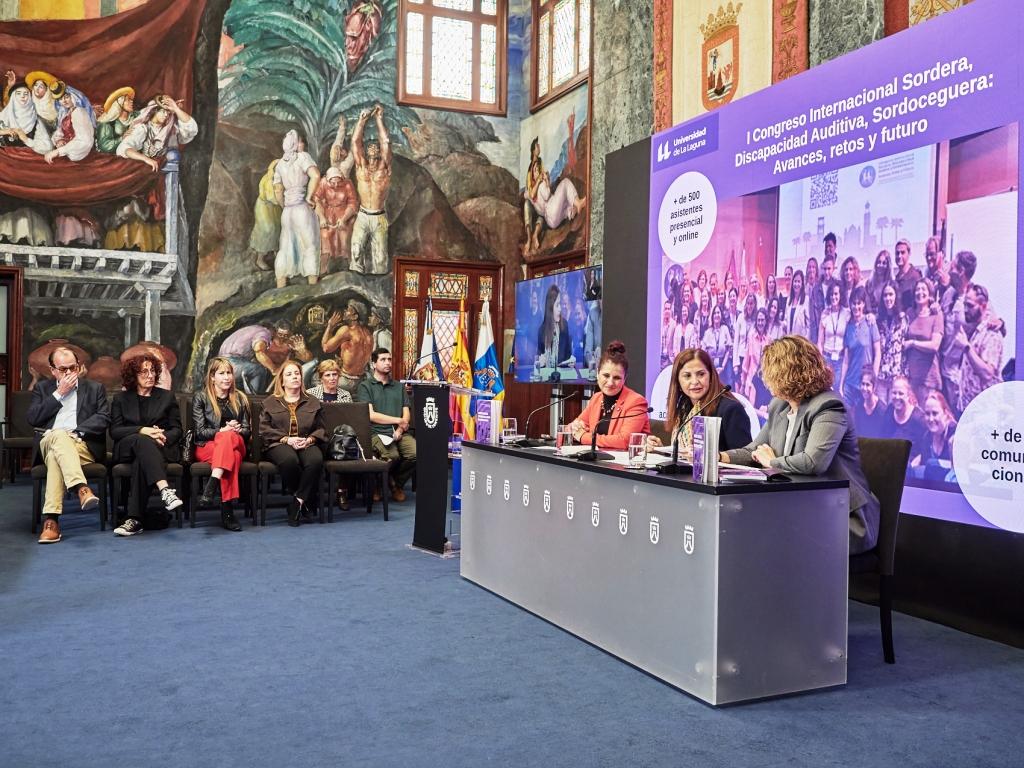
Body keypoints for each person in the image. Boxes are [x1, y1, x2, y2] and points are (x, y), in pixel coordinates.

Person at [721, 335, 880, 555]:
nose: (763, 377)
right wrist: (719, 457)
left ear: (786, 373)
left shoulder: (829, 406)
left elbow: (814, 462)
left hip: (840, 517)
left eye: (768, 370)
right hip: (796, 509)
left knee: (760, 536)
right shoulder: (780, 406)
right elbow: (753, 450)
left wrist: (772, 462)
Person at [27, 346, 111, 544]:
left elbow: (104, 417)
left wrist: (77, 431)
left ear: (79, 367)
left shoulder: (94, 388)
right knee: (57, 436)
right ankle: (81, 487)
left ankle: (51, 521)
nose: (68, 373)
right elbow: (33, 418)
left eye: (72, 368)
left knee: (58, 454)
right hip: (49, 441)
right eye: (63, 369)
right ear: (53, 370)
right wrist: (58, 394)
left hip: (81, 444)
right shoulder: (43, 389)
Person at [109, 354, 184, 536]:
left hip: (159, 447)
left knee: (142, 459)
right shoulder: (121, 399)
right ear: (133, 375)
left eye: (152, 371)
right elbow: (115, 431)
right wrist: (143, 430)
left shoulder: (166, 397)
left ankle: (134, 519)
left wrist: (161, 435)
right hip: (127, 448)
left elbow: (177, 429)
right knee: (142, 440)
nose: (150, 375)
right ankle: (165, 489)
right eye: (144, 371)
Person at [647, 348, 752, 458]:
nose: (695, 381)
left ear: (711, 376)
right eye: (687, 376)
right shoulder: (684, 407)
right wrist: (660, 450)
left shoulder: (731, 409)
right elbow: (685, 456)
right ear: (677, 381)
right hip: (685, 475)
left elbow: (745, 458)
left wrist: (714, 457)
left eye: (701, 374)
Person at [259, 360, 326, 526]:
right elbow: (263, 429)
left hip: (305, 441)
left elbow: (322, 428)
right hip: (278, 443)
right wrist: (287, 439)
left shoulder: (312, 401)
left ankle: (297, 503)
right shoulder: (270, 402)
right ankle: (308, 499)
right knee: (289, 460)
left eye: (297, 373)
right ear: (282, 380)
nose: (294, 377)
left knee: (315, 460)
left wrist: (310, 439)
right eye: (289, 374)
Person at [192, 357, 250, 532]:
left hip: (237, 441)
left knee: (229, 439)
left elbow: (247, 431)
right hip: (207, 447)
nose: (227, 377)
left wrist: (238, 430)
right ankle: (227, 512)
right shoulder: (201, 397)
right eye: (222, 373)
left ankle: (212, 484)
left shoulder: (240, 398)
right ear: (212, 377)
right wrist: (223, 430)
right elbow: (200, 432)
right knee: (232, 455)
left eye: (229, 373)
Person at [356, 348, 416, 502]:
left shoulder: (398, 386)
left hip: (399, 432)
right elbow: (371, 415)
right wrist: (398, 421)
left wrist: (401, 429)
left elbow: (406, 414)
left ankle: (394, 483)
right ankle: (383, 483)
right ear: (373, 364)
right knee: (392, 456)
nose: (388, 363)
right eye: (383, 360)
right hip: (376, 432)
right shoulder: (365, 386)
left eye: (389, 359)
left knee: (416, 454)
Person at [568, 341, 650, 450]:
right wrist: (574, 428)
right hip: (597, 462)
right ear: (597, 373)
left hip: (625, 464)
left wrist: (584, 437)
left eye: (617, 378)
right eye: (606, 375)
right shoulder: (596, 398)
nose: (610, 382)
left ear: (625, 379)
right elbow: (573, 428)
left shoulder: (636, 402)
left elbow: (624, 441)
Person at [273, 129, 321, 288]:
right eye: (300, 141)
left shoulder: (279, 164)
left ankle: (281, 284)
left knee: (285, 246)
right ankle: (313, 285)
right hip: (301, 207)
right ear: (296, 143)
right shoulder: (303, 157)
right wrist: (309, 196)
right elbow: (315, 175)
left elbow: (278, 190)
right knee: (309, 245)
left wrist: (284, 205)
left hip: (287, 211)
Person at [350, 104, 392, 275]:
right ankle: (354, 283)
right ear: (366, 151)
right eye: (370, 147)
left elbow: (386, 142)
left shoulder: (384, 168)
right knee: (356, 250)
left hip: (379, 217)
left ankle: (378, 289)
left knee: (380, 257)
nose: (373, 148)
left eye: (377, 148)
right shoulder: (361, 168)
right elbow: (355, 142)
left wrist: (379, 119)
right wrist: (361, 121)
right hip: (362, 215)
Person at [116, 95, 198, 172]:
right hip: (146, 167)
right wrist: (146, 159)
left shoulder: (170, 128)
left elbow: (191, 130)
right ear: (154, 111)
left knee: (173, 155)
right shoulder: (143, 128)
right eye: (163, 111)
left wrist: (176, 109)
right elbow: (125, 148)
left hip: (165, 165)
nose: (166, 115)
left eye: (168, 113)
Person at [957, 283, 1003, 412]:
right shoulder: (976, 330)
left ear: (983, 306)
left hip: (986, 410)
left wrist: (966, 347)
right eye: (965, 305)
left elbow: (987, 374)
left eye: (970, 306)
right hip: (971, 409)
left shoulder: (991, 334)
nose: (966, 309)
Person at [904, 278, 943, 407]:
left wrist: (913, 343)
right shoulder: (909, 313)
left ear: (930, 293)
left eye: (923, 289)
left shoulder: (936, 314)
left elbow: (935, 345)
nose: (920, 292)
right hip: (912, 377)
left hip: (929, 378)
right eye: (917, 289)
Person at [322, 298, 374, 393]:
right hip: (363, 381)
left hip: (346, 382)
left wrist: (330, 326)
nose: (344, 312)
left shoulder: (347, 330)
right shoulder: (368, 334)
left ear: (355, 316)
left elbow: (326, 348)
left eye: (348, 310)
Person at [839, 287, 880, 406]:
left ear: (863, 304)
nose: (856, 307)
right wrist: (841, 383)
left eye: (859, 303)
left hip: (865, 384)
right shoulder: (848, 326)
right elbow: (846, 360)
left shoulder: (870, 323)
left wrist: (874, 378)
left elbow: (878, 353)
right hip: (849, 383)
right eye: (853, 303)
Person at [313, 166, 358, 271]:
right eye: (333, 183)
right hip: (328, 214)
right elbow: (316, 199)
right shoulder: (323, 182)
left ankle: (351, 266)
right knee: (325, 236)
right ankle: (323, 269)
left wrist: (344, 219)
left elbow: (352, 203)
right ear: (328, 180)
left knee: (345, 236)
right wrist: (322, 217)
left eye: (338, 182)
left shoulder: (348, 184)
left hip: (344, 214)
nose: (336, 185)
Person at [44, 83, 95, 163]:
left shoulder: (79, 112)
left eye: (66, 97)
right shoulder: (68, 113)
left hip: (80, 156)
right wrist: (59, 140)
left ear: (74, 96)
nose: (63, 101)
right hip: (69, 152)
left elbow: (84, 141)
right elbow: (60, 131)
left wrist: (58, 151)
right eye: (60, 99)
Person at [911, 390, 956, 479]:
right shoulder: (926, 437)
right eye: (927, 414)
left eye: (935, 413)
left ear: (945, 413)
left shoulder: (955, 434)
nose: (931, 419)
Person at [876, 282, 908, 404]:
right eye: (885, 295)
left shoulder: (903, 319)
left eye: (891, 294)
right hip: (882, 375)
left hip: (897, 374)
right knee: (882, 409)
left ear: (896, 296)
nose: (888, 298)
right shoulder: (878, 320)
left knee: (896, 408)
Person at [0, 83, 53, 154]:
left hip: (25, 158)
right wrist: (3, 131)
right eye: (18, 93)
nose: (22, 96)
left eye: (26, 94)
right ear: (13, 97)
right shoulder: (3, 115)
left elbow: (47, 147)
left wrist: (26, 139)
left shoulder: (35, 120)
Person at [882, 376, 926, 447]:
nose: (897, 397)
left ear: (908, 395)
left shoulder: (919, 419)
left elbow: (924, 451)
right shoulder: (889, 410)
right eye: (894, 393)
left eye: (901, 393)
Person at [818, 282, 848, 385]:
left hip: (840, 360)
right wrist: (821, 362)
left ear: (840, 295)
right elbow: (820, 342)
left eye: (836, 294)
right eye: (831, 294)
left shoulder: (846, 313)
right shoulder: (825, 313)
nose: (833, 297)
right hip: (827, 358)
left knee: (837, 393)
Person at [536, 283, 572, 367]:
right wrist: (540, 362)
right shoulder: (541, 331)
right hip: (546, 377)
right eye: (557, 305)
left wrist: (570, 362)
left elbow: (568, 356)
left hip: (562, 377)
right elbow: (539, 358)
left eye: (560, 304)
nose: (560, 309)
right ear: (550, 308)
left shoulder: (565, 326)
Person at [743, 307, 772, 409]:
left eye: (762, 320)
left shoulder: (769, 339)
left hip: (763, 382)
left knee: (761, 409)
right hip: (751, 379)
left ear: (766, 321)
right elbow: (747, 361)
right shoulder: (751, 337)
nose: (760, 323)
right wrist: (744, 380)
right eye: (758, 320)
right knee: (751, 409)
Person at [95, 86, 136, 153]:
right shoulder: (106, 123)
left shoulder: (135, 116)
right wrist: (122, 138)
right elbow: (104, 146)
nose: (131, 102)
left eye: (131, 100)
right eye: (128, 100)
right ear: (119, 102)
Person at [702, 305, 732, 386]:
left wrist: (722, 366)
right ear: (712, 316)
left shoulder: (725, 329)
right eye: (714, 313)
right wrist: (711, 367)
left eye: (718, 313)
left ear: (721, 315)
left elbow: (729, 350)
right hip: (710, 365)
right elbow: (703, 352)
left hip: (724, 364)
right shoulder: (708, 332)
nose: (716, 315)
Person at [853, 369, 887, 438]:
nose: (864, 388)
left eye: (868, 385)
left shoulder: (882, 410)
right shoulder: (858, 407)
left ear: (874, 387)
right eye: (863, 384)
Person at [893, 239, 923, 315]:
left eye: (903, 253)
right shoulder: (896, 279)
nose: (899, 256)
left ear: (909, 254)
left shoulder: (916, 277)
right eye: (897, 253)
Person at [785, 269, 811, 339]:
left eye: (799, 282)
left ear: (802, 284)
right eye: (795, 281)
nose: (796, 284)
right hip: (789, 341)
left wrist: (805, 342)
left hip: (801, 342)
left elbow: (809, 325)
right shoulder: (789, 300)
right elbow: (786, 321)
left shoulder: (806, 300)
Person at [864, 250, 892, 315]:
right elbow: (867, 306)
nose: (880, 265)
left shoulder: (891, 284)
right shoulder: (869, 284)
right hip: (871, 320)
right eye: (879, 262)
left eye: (884, 263)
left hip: (887, 320)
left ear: (888, 266)